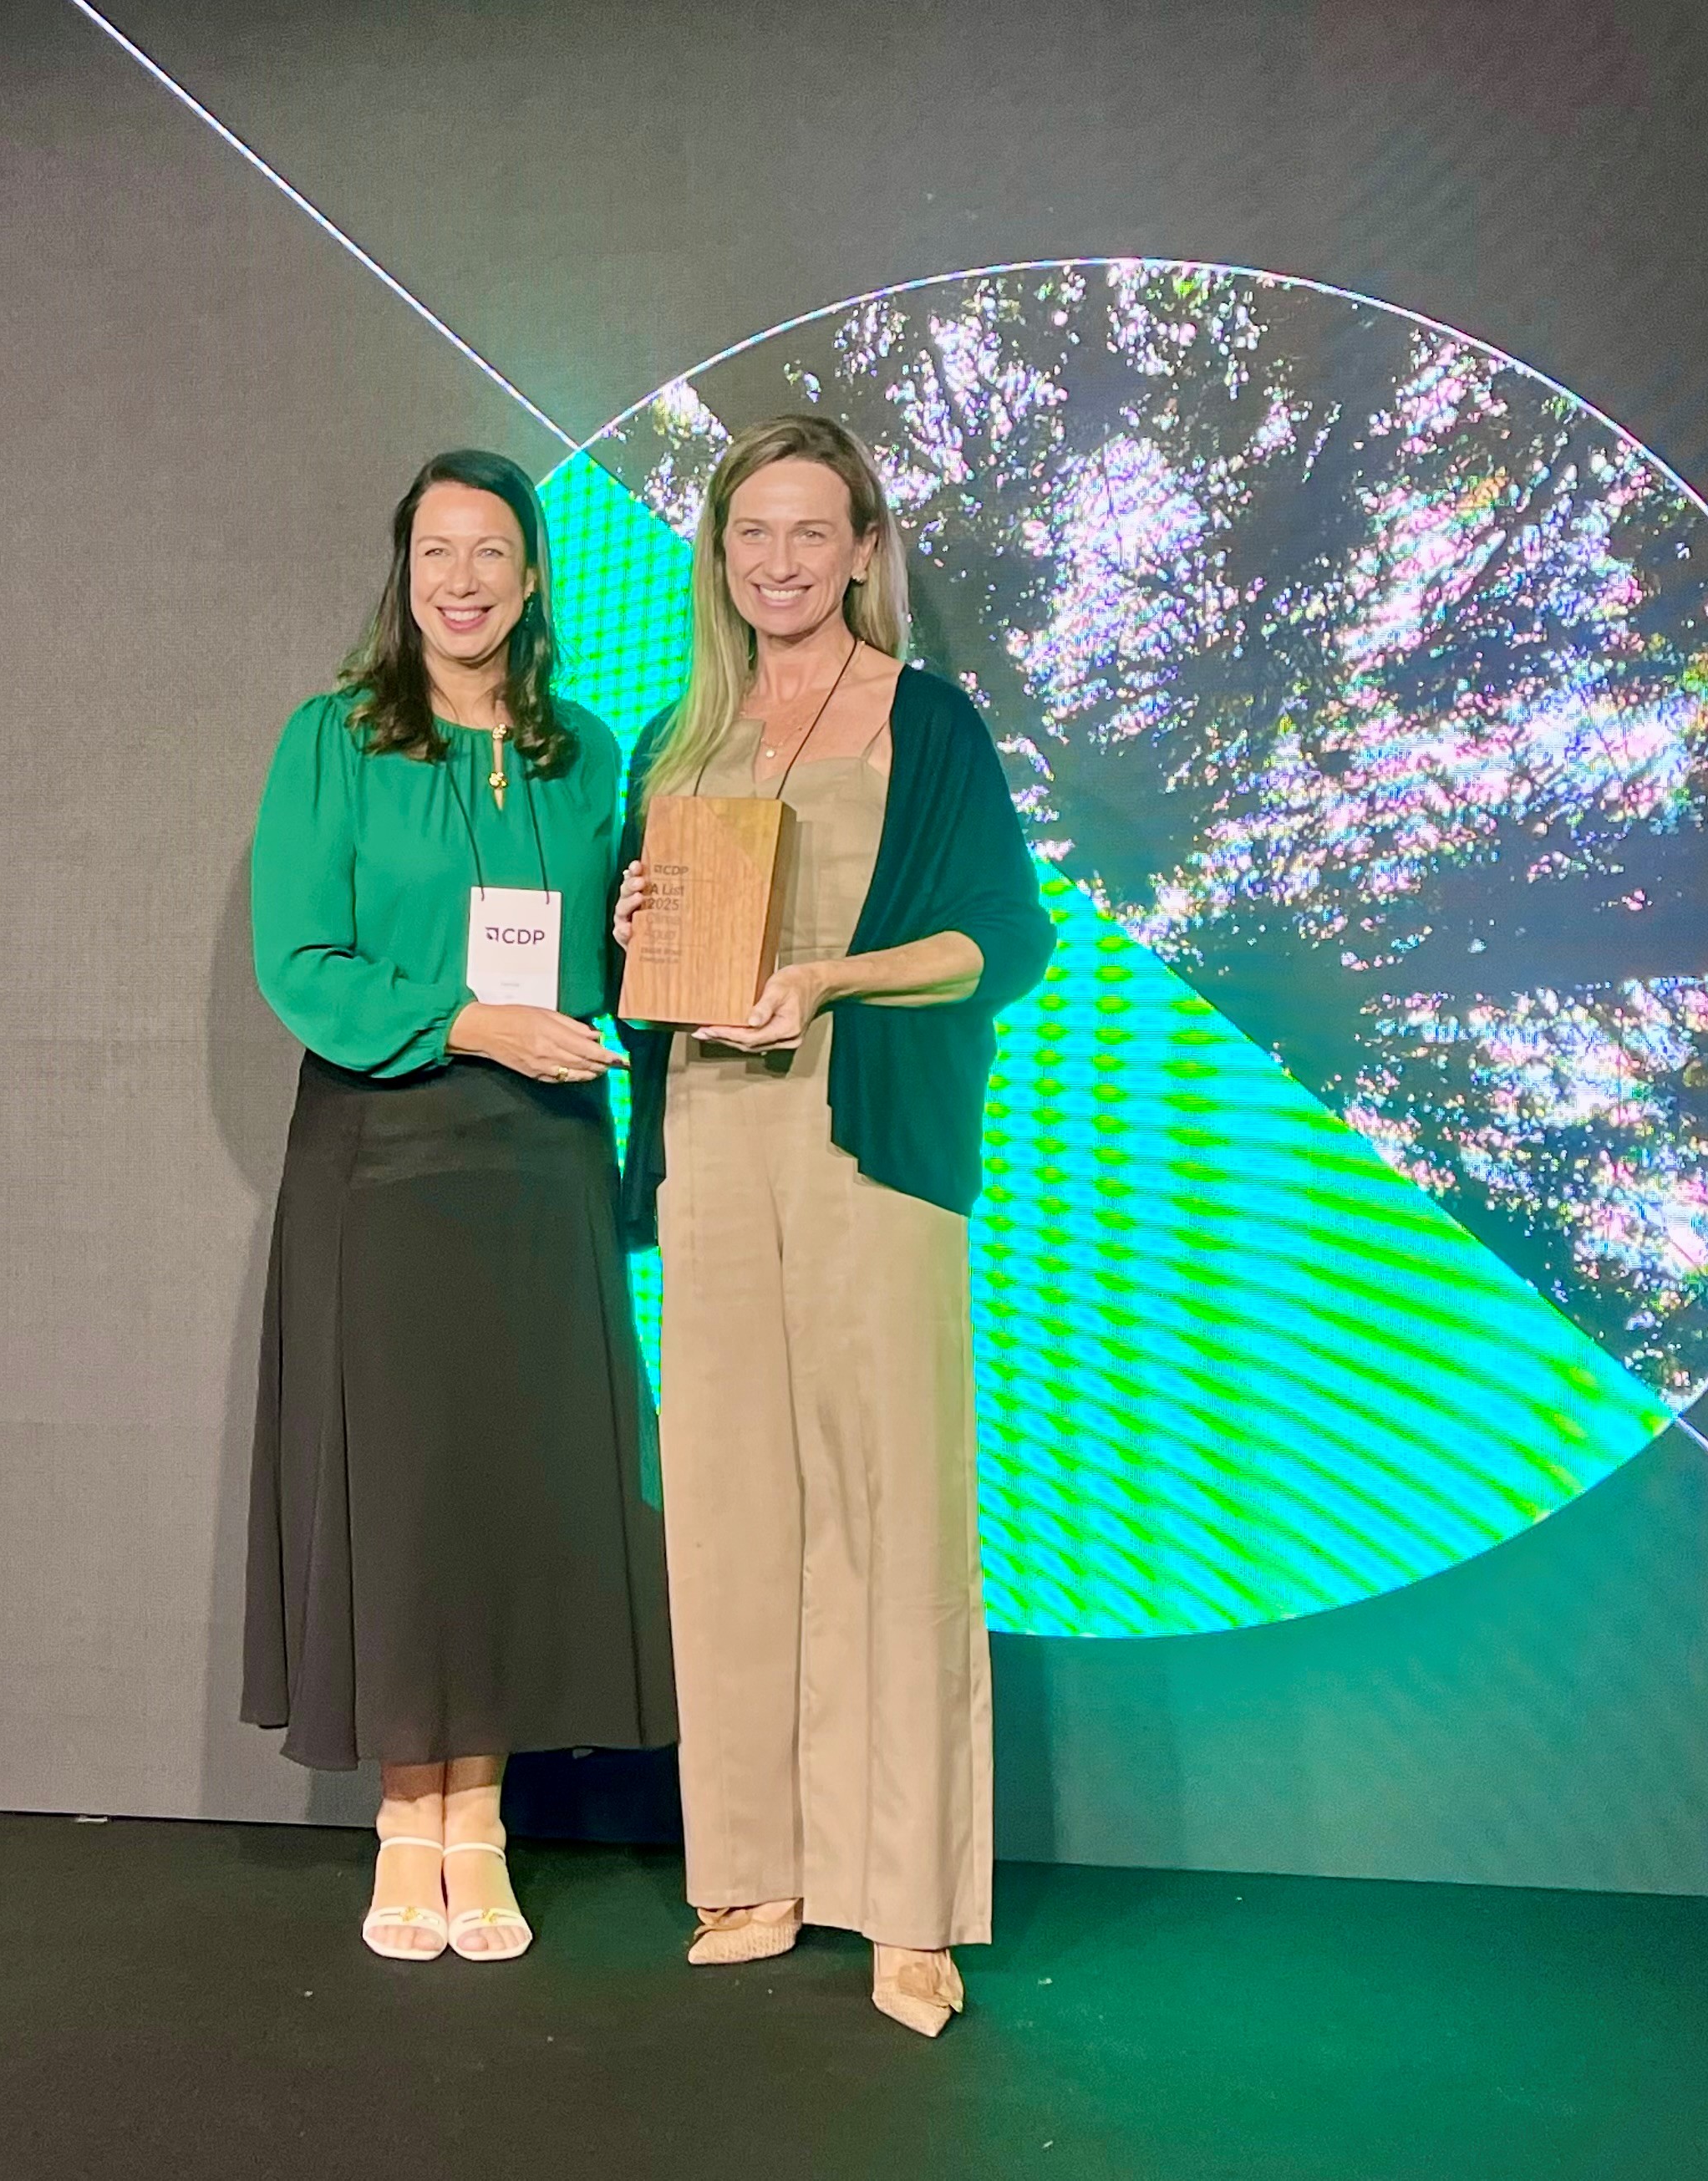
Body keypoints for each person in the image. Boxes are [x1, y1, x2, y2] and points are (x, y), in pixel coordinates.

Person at [611, 414, 1051, 2034]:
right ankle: (754, 1869)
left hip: (869, 1139)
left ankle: (910, 1904)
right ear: (719, 557)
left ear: (865, 549)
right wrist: (632, 920)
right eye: (751, 533)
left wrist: (834, 980)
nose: (778, 561)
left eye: (811, 531)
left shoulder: (927, 721)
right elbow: (643, 962)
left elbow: (1003, 943)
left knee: (893, 1507)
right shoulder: (678, 738)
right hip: (708, 1137)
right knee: (728, 1502)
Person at [245, 448, 674, 1964]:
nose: (464, 580)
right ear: (404, 570)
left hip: (540, 1162)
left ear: (534, 573)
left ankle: (477, 1815)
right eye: (437, 551)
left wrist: (639, 924)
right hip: (387, 1156)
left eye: (491, 551)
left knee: (503, 1488)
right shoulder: (334, 737)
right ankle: (404, 1816)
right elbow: (300, 959)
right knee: (407, 1488)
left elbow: (594, 973)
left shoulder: (588, 751)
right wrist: (468, 1022)